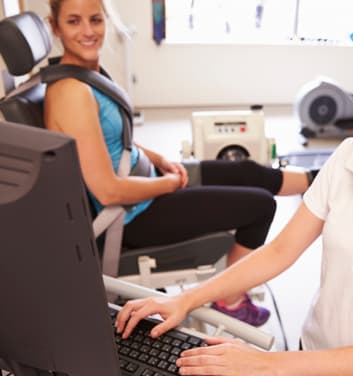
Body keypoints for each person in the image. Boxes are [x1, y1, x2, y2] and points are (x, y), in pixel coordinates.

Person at [116, 0, 353, 374]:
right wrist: (189, 300)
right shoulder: (351, 156)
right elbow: (281, 250)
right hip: (309, 353)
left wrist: (267, 366)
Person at [44, 0, 317, 328]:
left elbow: (108, 138)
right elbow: (108, 191)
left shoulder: (85, 73)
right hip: (129, 216)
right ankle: (228, 301)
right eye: (74, 22)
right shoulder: (71, 92)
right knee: (260, 207)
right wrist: (169, 183)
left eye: (95, 20)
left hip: (145, 182)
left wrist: (159, 160)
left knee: (248, 171)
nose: (88, 31)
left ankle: (320, 180)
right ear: (55, 27)